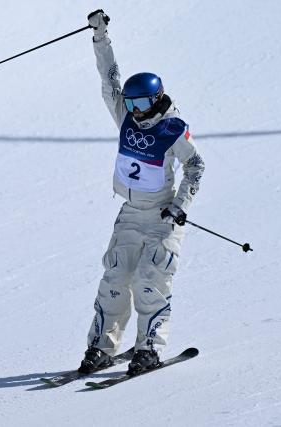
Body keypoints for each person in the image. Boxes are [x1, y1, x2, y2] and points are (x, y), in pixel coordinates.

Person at [78, 10, 205, 376]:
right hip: (130, 214)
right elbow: (110, 81)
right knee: (114, 280)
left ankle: (149, 347)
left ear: (157, 99)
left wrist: (180, 205)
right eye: (130, 105)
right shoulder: (126, 118)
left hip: (162, 216)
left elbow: (196, 167)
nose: (133, 111)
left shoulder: (172, 128)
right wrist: (100, 37)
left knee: (151, 280)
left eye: (140, 105)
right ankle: (101, 347)